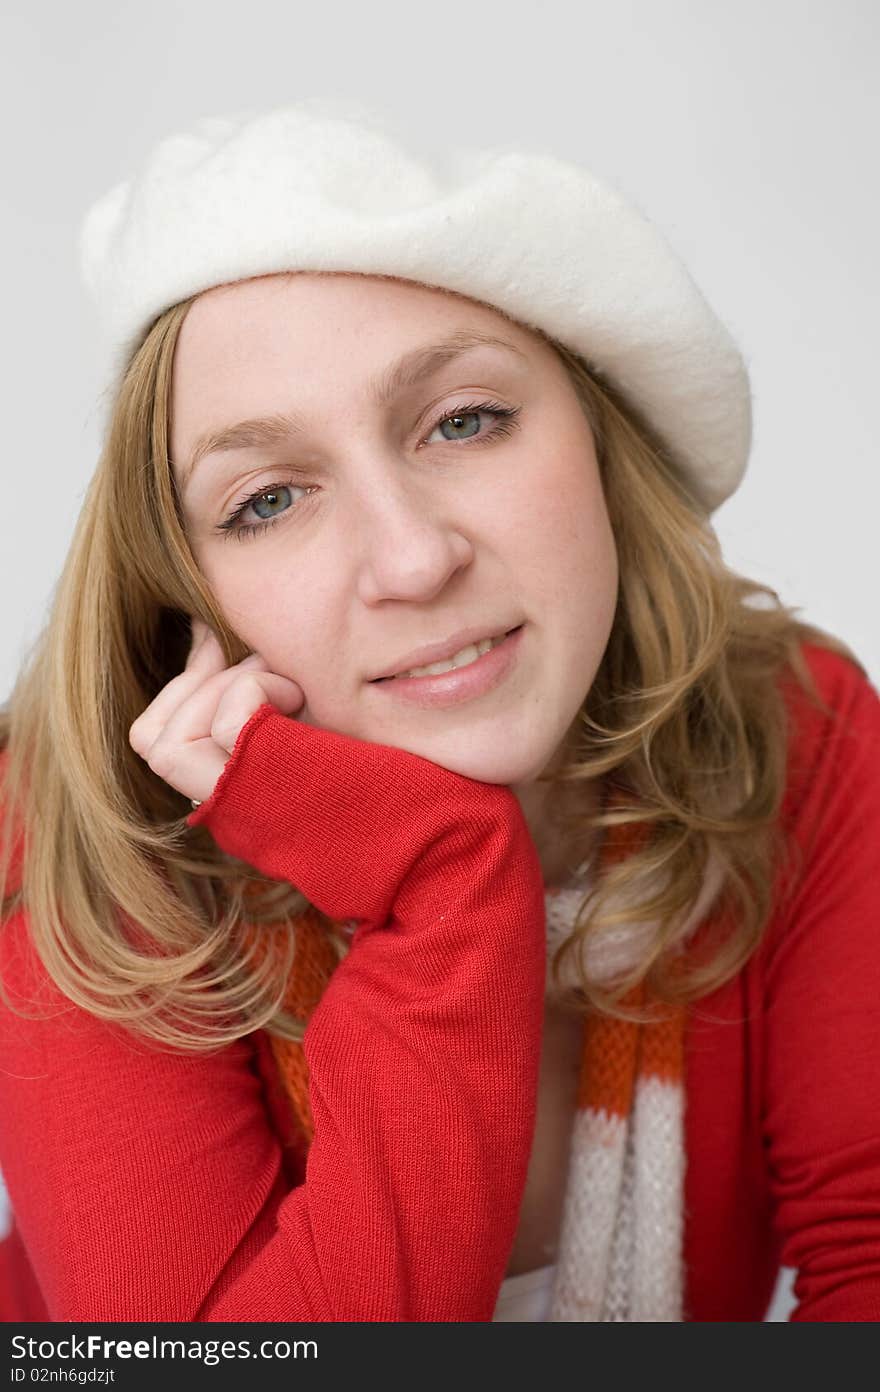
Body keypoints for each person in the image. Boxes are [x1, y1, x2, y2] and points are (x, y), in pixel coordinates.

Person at [0, 102, 877, 1324]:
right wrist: (448, 882)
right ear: (183, 593)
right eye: (269, 499)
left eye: (463, 421)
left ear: (601, 437)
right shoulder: (89, 843)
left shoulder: (797, 730)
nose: (411, 560)